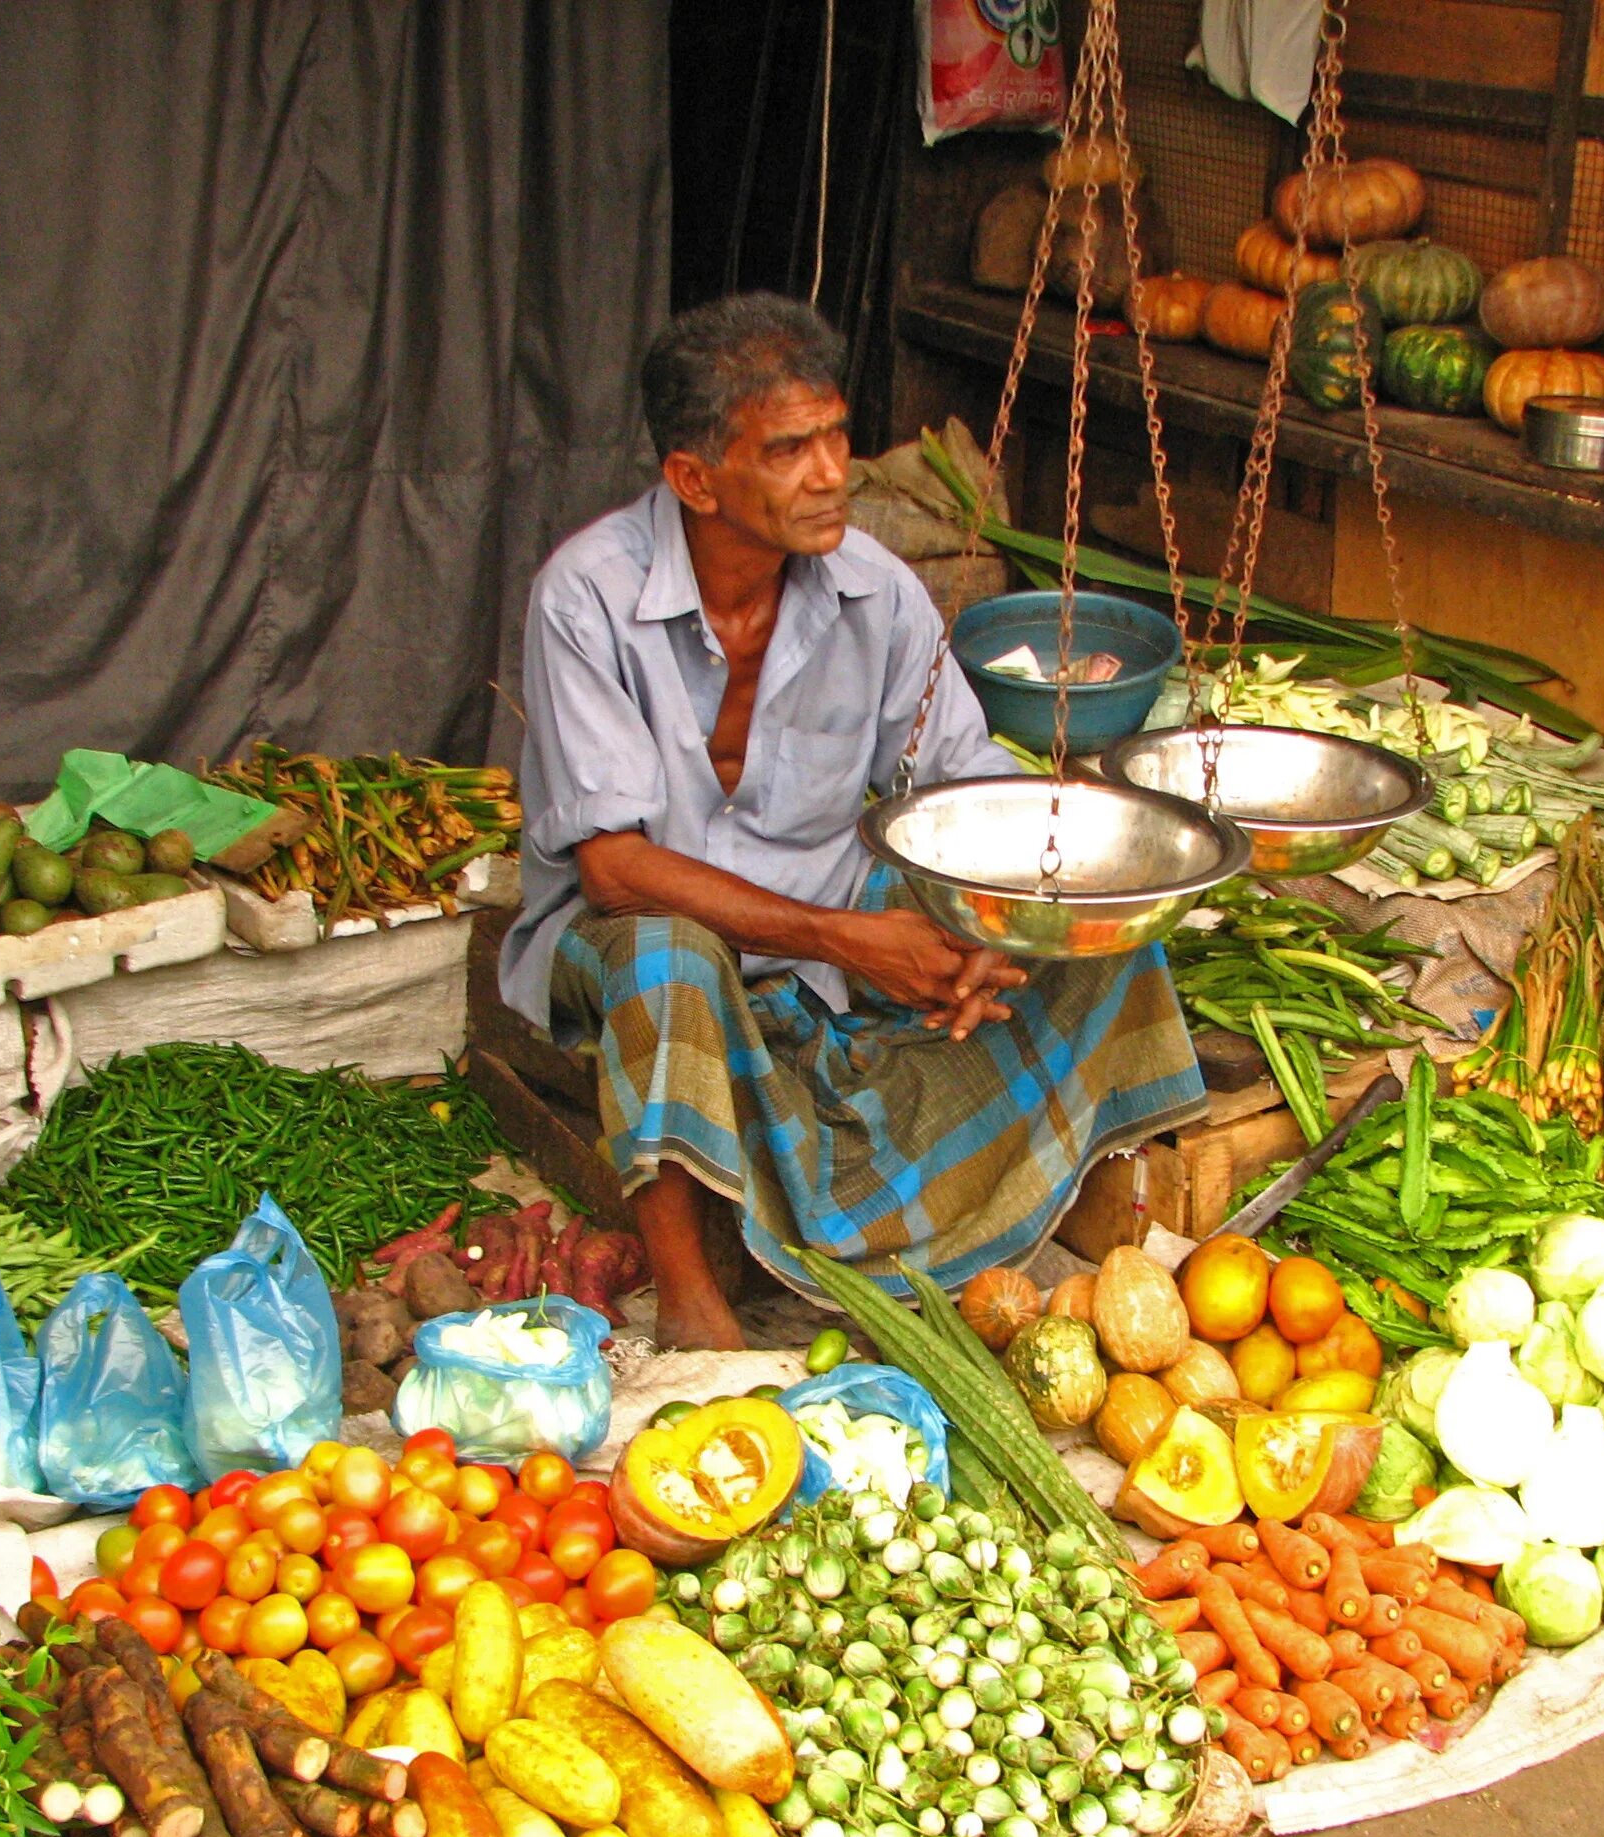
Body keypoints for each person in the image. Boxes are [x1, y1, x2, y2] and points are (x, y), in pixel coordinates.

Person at [501, 292, 1204, 1348]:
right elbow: (615, 870)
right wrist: (846, 941)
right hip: (634, 927)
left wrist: (983, 929)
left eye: (835, 437)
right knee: (669, 960)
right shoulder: (585, 599)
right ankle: (696, 1299)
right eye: (789, 450)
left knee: (1092, 932)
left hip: (826, 895)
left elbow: (960, 793)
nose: (833, 473)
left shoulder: (876, 591)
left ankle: (1028, 1216)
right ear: (695, 478)